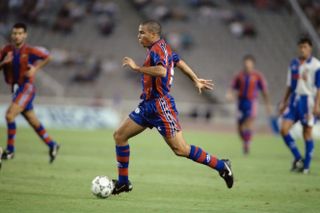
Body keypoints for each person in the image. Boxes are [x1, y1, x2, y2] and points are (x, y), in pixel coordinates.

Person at [111, 20, 234, 195]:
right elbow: (179, 62)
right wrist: (195, 78)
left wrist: (137, 68)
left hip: (161, 106)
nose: (139, 36)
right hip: (147, 105)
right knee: (119, 135)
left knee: (181, 149)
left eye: (142, 33)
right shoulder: (163, 47)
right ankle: (124, 183)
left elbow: (162, 71)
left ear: (153, 35)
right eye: (138, 32)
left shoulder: (157, 49)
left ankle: (222, 166)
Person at [0, 23, 60, 163]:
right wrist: (4, 63)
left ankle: (10, 151)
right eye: (15, 33)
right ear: (11, 35)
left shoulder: (30, 50)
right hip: (15, 89)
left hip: (27, 88)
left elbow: (48, 57)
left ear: (25, 35)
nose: (17, 36)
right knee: (33, 121)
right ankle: (52, 144)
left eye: (20, 33)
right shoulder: (6, 50)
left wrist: (35, 69)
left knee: (9, 115)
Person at [279, 37, 320, 174]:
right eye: (301, 47)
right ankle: (298, 158)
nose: (302, 49)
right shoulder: (293, 64)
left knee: (306, 132)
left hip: (308, 101)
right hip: (294, 100)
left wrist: (317, 105)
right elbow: (289, 85)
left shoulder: (316, 65)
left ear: (310, 48)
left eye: (305, 47)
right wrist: (284, 102)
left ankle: (306, 167)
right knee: (284, 129)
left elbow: (319, 87)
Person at [226, 55, 272, 154]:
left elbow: (264, 91)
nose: (247, 65)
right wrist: (230, 94)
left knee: (248, 122)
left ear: (253, 65)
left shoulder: (258, 76)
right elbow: (233, 87)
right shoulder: (239, 76)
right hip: (241, 102)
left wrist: (267, 104)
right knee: (239, 127)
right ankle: (246, 140)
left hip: (252, 102)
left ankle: (247, 144)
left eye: (249, 63)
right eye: (246, 63)